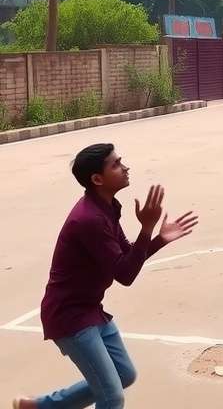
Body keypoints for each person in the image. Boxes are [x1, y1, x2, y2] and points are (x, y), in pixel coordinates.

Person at [13, 144, 198, 409]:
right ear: (97, 179)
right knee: (111, 396)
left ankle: (40, 406)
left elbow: (125, 258)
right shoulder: (89, 219)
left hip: (89, 309)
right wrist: (146, 229)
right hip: (70, 316)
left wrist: (157, 238)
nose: (125, 167)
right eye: (116, 164)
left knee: (125, 375)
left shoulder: (106, 208)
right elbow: (125, 275)